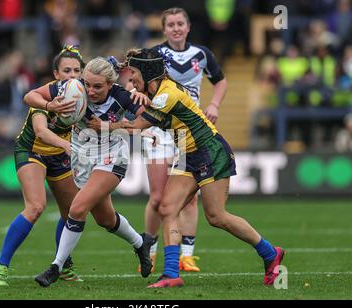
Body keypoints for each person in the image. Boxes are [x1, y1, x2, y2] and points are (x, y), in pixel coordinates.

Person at [118, 48, 284, 288]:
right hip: (188, 155)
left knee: (216, 217)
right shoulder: (159, 92)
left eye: (133, 73)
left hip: (210, 151)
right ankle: (172, 274)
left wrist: (103, 124)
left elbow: (136, 127)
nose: (130, 79)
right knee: (167, 207)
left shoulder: (167, 94)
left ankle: (271, 254)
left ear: (148, 73)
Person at [33, 57, 154, 287]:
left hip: (112, 157)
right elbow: (30, 96)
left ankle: (56, 267)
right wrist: (51, 105)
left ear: (111, 84)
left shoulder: (122, 96)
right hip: (83, 157)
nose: (90, 90)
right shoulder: (73, 88)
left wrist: (110, 126)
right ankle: (141, 243)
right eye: (87, 84)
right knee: (105, 219)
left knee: (77, 208)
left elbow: (149, 119)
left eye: (97, 86)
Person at [140, 7, 228, 273]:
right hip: (158, 129)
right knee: (157, 197)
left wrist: (213, 104)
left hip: (187, 131)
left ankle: (186, 255)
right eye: (171, 24)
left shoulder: (201, 54)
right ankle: (150, 251)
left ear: (188, 27)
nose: (176, 28)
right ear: (164, 29)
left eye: (180, 23)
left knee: (190, 197)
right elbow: (138, 84)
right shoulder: (154, 55)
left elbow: (221, 81)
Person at [0, 45, 85, 286]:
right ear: (56, 74)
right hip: (32, 150)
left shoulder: (84, 95)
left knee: (72, 212)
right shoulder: (45, 97)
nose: (72, 75)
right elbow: (41, 132)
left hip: (59, 155)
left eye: (76, 70)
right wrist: (67, 146)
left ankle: (62, 265)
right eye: (66, 70)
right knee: (36, 206)